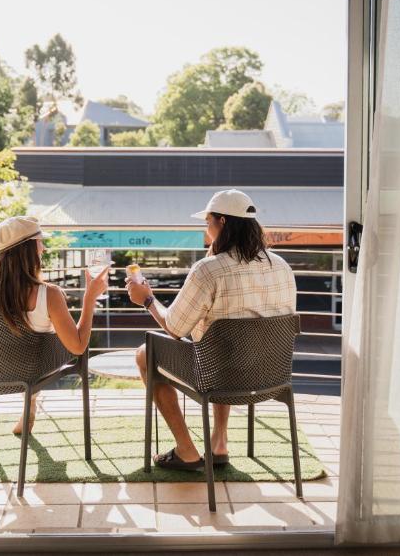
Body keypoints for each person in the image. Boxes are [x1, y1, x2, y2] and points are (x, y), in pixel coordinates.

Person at [126, 190, 297, 471]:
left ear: (222, 222)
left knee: (146, 354)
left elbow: (175, 328)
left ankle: (186, 450)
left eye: (208, 222)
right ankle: (219, 443)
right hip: (270, 375)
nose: (206, 230)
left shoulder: (208, 270)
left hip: (219, 374)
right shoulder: (282, 266)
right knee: (222, 345)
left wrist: (146, 299)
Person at [0, 215, 109, 434]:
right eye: (39, 242)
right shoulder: (49, 294)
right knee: (52, 339)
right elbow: (78, 347)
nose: (43, 249)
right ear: (27, 250)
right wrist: (89, 299)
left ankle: (30, 402)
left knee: (25, 341)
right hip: (34, 370)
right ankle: (31, 399)